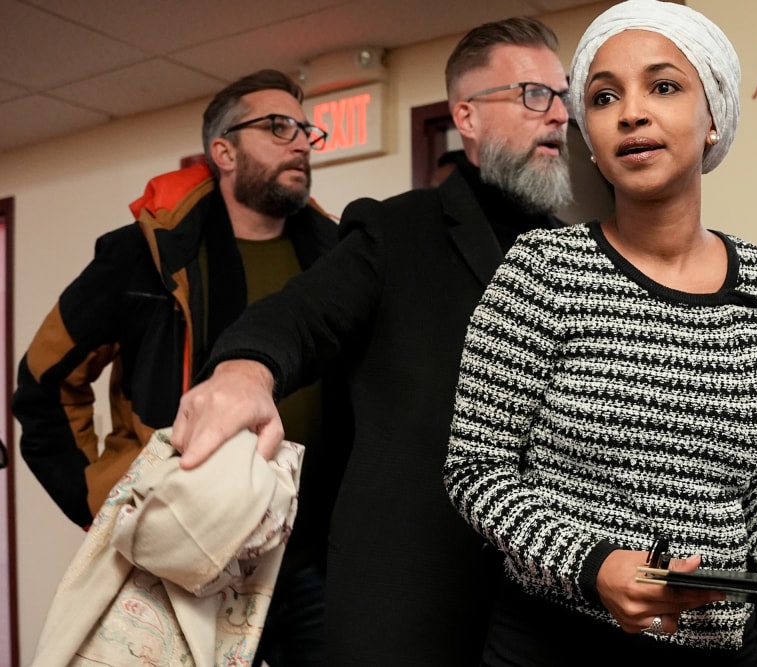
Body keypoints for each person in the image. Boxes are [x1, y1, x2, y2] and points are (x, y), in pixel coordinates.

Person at [442, 2, 757, 664]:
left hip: (717, 646)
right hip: (553, 642)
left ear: (714, 117)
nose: (631, 113)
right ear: (591, 135)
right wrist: (595, 564)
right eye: (603, 97)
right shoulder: (542, 269)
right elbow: (477, 470)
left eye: (664, 86)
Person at [169, 16, 573, 667]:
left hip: (545, 601)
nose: (558, 114)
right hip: (412, 599)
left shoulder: (578, 254)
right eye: (534, 94)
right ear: (466, 117)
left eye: (564, 96)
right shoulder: (396, 230)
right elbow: (301, 316)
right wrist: (245, 371)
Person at [12, 69, 344, 667]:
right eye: (278, 127)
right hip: (188, 552)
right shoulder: (145, 253)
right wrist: (101, 497)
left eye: (305, 130)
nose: (300, 142)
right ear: (224, 151)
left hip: (314, 557)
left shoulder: (335, 256)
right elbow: (44, 382)